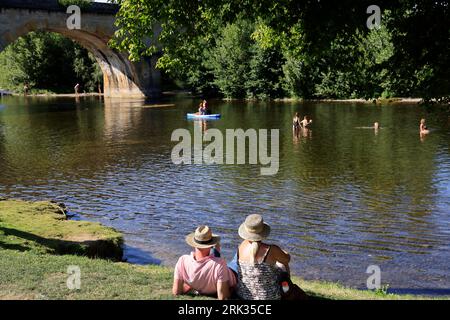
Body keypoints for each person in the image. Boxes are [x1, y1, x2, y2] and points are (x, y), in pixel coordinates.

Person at [231, 214, 291, 300]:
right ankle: (287, 291)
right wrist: (285, 253)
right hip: (270, 297)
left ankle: (286, 290)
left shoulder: (241, 246)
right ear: (263, 232)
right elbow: (287, 260)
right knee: (283, 265)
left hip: (244, 295)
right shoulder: (271, 249)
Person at [172, 225, 237, 300]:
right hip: (232, 273)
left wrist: (191, 285)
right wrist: (232, 291)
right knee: (237, 256)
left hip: (215, 268)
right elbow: (223, 297)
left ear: (194, 243)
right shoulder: (219, 264)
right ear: (210, 244)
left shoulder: (182, 261)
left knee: (217, 257)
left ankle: (216, 251)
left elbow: (176, 291)